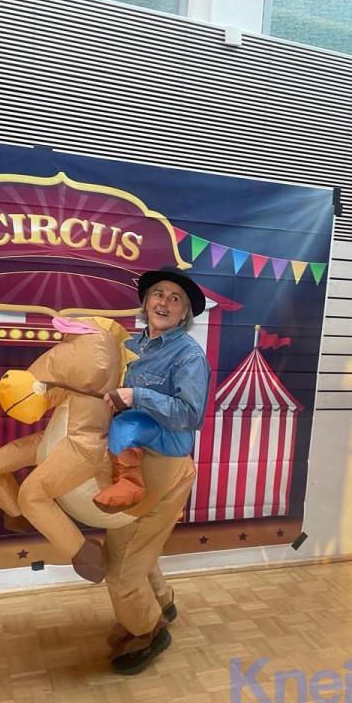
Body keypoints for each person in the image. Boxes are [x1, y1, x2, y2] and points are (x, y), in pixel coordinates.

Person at [102, 266, 211, 675]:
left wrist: (138, 395)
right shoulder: (133, 345)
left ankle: (148, 630)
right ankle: (162, 602)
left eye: (174, 298)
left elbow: (190, 415)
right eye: (158, 294)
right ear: (146, 301)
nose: (164, 302)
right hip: (131, 457)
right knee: (136, 543)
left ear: (184, 314)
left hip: (163, 463)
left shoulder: (188, 355)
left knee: (121, 559)